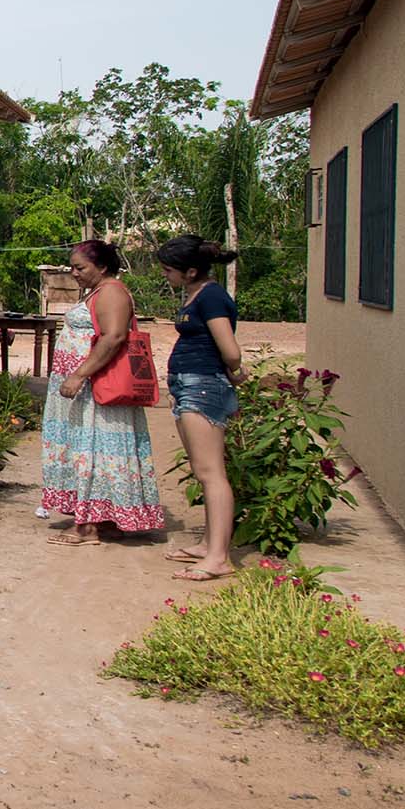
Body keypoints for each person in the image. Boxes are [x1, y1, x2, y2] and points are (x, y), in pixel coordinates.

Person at [42, 240, 166, 545]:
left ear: (103, 267)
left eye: (80, 267)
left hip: (94, 387)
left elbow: (114, 337)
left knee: (95, 450)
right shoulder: (99, 292)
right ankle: (104, 519)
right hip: (86, 390)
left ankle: (90, 526)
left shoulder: (111, 292)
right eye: (72, 267)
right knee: (92, 450)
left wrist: (79, 374)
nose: (74, 273)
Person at [158, 234, 245, 581]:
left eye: (169, 270)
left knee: (211, 473)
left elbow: (231, 350)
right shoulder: (199, 294)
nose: (166, 275)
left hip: (203, 386)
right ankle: (209, 543)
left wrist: (234, 373)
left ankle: (218, 557)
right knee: (203, 469)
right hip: (188, 384)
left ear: (191, 271)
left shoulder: (211, 298)